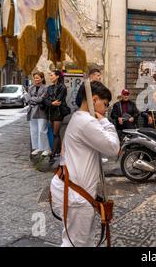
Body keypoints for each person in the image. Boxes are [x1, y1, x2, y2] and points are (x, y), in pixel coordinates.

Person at [50, 81, 120, 247]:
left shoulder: (80, 118)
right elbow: (113, 148)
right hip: (76, 195)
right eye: (105, 104)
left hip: (75, 191)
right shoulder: (87, 122)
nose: (107, 108)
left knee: (82, 241)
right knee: (75, 243)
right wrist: (105, 122)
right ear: (94, 99)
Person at [44, 70, 68, 163]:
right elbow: (45, 99)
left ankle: (53, 154)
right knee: (56, 134)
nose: (50, 77)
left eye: (52, 75)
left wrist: (50, 101)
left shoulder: (62, 87)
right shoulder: (49, 87)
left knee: (55, 133)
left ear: (57, 76)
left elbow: (58, 100)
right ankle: (60, 151)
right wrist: (51, 102)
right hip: (51, 112)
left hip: (58, 112)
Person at [26, 72, 51, 157]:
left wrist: (32, 99)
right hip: (32, 111)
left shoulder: (45, 88)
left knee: (42, 131)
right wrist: (33, 99)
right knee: (34, 130)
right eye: (35, 78)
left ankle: (46, 149)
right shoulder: (31, 88)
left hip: (41, 112)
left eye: (38, 78)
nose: (36, 80)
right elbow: (27, 99)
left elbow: (41, 99)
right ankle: (37, 147)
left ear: (42, 78)